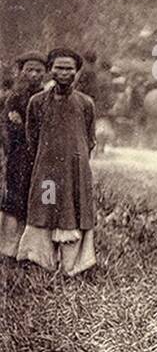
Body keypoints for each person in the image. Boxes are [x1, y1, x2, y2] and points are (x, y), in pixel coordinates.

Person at [15, 49, 96, 275]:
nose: (63, 73)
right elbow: (32, 137)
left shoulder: (85, 103)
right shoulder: (37, 102)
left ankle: (73, 265)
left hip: (75, 172)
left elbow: (89, 139)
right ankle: (42, 262)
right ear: (50, 70)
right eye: (59, 68)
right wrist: (46, 160)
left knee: (74, 211)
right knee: (46, 208)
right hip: (47, 174)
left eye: (69, 68)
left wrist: (75, 160)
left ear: (77, 72)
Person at [1, 52, 46, 259]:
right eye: (29, 70)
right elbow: (10, 128)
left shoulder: (47, 98)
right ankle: (9, 247)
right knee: (15, 199)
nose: (34, 75)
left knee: (40, 199)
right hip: (18, 158)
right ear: (21, 72)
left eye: (39, 70)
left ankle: (33, 249)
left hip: (41, 158)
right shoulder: (15, 98)